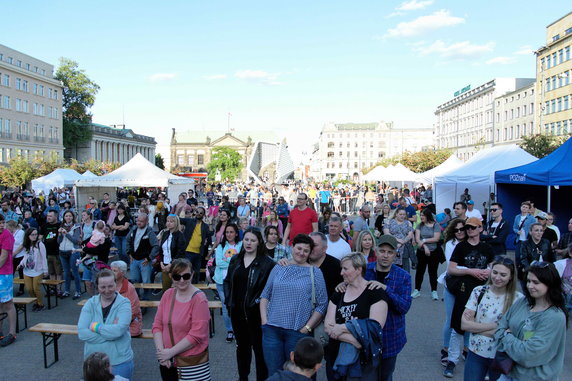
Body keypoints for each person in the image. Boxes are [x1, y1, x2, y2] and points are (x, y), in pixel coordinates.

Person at [260, 234, 328, 377]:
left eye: (305, 250)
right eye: (299, 248)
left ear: (310, 253)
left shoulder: (315, 272)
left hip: (297, 332)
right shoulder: (279, 267)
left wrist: (307, 327)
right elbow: (265, 295)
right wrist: (264, 321)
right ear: (292, 247)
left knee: (298, 375)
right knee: (274, 374)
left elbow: (322, 304)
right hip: (272, 330)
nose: (301, 253)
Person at [494, 262, 568, 381]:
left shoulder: (555, 317)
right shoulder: (522, 302)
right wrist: (515, 342)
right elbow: (499, 329)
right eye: (528, 281)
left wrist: (507, 335)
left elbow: (527, 354)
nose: (529, 286)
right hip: (508, 374)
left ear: (549, 284)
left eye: (536, 282)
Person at [443, 217, 494, 378]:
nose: (470, 230)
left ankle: (481, 361)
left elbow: (494, 268)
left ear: (480, 228)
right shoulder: (461, 247)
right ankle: (452, 360)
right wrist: (471, 271)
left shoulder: (487, 248)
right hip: (463, 290)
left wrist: (488, 273)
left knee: (481, 325)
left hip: (482, 292)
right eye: (468, 227)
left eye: (473, 227)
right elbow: (451, 269)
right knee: (457, 325)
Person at [324, 253, 388, 381]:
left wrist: (342, 327)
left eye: (345, 269)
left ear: (359, 270)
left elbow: (374, 328)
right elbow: (328, 327)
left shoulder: (374, 292)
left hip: (363, 362)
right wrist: (355, 341)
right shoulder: (339, 292)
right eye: (341, 269)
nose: (341, 273)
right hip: (336, 356)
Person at [223, 228, 275, 381]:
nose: (249, 243)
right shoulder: (236, 260)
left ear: (259, 242)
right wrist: (228, 301)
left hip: (257, 315)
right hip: (237, 313)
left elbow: (270, 289)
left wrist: (258, 304)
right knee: (242, 349)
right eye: (246, 239)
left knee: (259, 351)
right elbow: (227, 282)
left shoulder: (267, 263)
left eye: (253, 240)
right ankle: (243, 377)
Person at [461, 257, 523, 381]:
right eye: (495, 272)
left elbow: (515, 332)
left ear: (511, 276)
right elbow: (464, 325)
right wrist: (497, 326)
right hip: (476, 352)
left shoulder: (518, 299)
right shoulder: (479, 292)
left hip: (501, 355)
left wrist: (476, 328)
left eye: (503, 274)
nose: (497, 277)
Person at [152, 259, 211, 380]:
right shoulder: (168, 294)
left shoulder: (199, 299)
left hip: (190, 363)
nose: (182, 280)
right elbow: (157, 325)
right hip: (168, 361)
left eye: (186, 276)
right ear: (171, 276)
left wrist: (170, 352)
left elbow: (197, 335)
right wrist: (162, 354)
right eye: (177, 277)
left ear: (192, 275)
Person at [364, 235, 412, 381]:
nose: (385, 255)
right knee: (366, 375)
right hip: (366, 335)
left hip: (390, 336)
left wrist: (386, 289)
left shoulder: (403, 276)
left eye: (390, 252)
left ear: (395, 254)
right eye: (382, 251)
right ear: (376, 251)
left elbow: (404, 307)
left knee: (385, 375)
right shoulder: (364, 271)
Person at [78, 269, 134, 380]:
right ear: (97, 287)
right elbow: (82, 333)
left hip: (119, 361)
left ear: (115, 284)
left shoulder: (124, 303)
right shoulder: (90, 303)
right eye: (103, 287)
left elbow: (119, 330)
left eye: (110, 286)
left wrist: (95, 327)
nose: (107, 290)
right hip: (93, 363)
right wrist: (111, 333)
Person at [437, 219, 467, 366]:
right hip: (452, 284)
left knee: (468, 318)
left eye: (462, 229)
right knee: (450, 318)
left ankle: (466, 349)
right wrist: (470, 270)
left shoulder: (471, 243)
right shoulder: (450, 244)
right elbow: (452, 266)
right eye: (456, 230)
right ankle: (446, 349)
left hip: (469, 286)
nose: (460, 232)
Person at [213, 223, 242, 343]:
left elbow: (242, 262)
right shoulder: (221, 246)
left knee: (238, 306)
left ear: (236, 233)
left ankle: (238, 329)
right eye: (227, 232)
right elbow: (219, 263)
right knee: (226, 307)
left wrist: (228, 260)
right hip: (222, 281)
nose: (229, 234)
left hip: (238, 281)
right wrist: (234, 263)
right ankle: (230, 330)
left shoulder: (241, 245)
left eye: (231, 232)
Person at [411, 208, 442, 300]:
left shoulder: (435, 225)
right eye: (420, 215)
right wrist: (425, 247)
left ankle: (434, 291)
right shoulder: (420, 226)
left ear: (428, 216)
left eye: (423, 215)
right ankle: (417, 290)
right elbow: (417, 239)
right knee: (420, 271)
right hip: (422, 252)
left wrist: (424, 240)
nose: (421, 217)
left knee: (433, 272)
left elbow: (436, 238)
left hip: (434, 252)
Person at [127, 213, 159, 300]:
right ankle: (136, 299)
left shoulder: (150, 232)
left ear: (146, 221)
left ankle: (145, 300)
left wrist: (149, 258)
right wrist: (129, 253)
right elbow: (127, 240)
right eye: (137, 221)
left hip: (144, 261)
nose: (138, 223)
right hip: (134, 260)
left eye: (141, 221)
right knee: (134, 281)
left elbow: (156, 246)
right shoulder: (133, 229)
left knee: (146, 283)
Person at [18, 227, 48, 311]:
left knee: (36, 288)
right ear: (28, 236)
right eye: (32, 235)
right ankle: (35, 302)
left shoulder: (40, 244)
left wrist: (45, 270)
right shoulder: (27, 244)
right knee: (29, 289)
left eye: (36, 234)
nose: (34, 236)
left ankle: (40, 304)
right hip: (27, 270)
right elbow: (25, 256)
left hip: (38, 270)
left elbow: (44, 258)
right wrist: (21, 264)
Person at [110, 261, 142, 337]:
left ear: (123, 273)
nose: (112, 273)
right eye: (111, 270)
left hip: (130, 323)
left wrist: (117, 323)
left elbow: (134, 311)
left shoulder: (129, 288)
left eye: (115, 271)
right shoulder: (109, 286)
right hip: (112, 322)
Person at [180, 207, 211, 284]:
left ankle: (194, 291)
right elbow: (178, 219)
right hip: (188, 251)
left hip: (198, 253)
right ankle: (185, 288)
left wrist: (210, 223)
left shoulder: (205, 226)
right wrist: (181, 209)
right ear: (194, 212)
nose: (198, 214)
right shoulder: (189, 221)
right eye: (197, 212)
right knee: (186, 272)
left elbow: (210, 235)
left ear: (203, 215)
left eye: (201, 213)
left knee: (196, 273)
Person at [156, 214, 187, 291]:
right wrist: (161, 262)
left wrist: (170, 264)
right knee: (166, 288)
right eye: (168, 221)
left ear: (176, 223)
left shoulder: (180, 236)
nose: (169, 223)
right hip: (165, 265)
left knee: (178, 288)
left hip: (176, 265)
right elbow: (161, 250)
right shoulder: (165, 233)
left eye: (171, 221)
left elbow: (180, 253)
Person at [519, 223, 554, 288]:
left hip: (544, 272)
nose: (539, 233)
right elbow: (523, 259)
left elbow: (551, 258)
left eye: (541, 230)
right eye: (536, 230)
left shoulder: (546, 242)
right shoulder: (525, 244)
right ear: (530, 232)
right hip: (529, 272)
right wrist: (530, 270)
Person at [58, 210, 82, 299]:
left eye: (70, 216)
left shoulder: (76, 227)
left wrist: (66, 234)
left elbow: (76, 240)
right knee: (66, 272)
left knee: (75, 272)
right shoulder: (61, 226)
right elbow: (59, 241)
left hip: (73, 251)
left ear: (73, 217)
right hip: (62, 251)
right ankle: (66, 290)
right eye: (66, 216)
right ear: (64, 217)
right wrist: (60, 234)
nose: (68, 218)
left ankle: (78, 291)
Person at [0, 214, 16, 346]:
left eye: (3, 222)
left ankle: (12, 333)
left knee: (8, 303)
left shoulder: (6, 235)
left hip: (4, 274)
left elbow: (4, 256)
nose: (1, 225)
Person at [383, 208, 415, 272]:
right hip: (392, 247)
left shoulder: (408, 223)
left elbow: (410, 235)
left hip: (405, 248)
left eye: (404, 214)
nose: (402, 216)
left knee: (405, 269)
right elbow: (386, 233)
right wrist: (397, 240)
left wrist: (402, 242)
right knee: (392, 268)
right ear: (396, 214)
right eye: (400, 214)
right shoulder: (389, 221)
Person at [40, 209, 62, 295]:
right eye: (47, 216)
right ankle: (53, 289)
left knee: (58, 272)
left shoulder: (60, 225)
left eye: (50, 216)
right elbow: (40, 237)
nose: (48, 218)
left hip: (57, 251)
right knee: (51, 272)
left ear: (55, 217)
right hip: (47, 252)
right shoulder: (44, 226)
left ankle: (59, 289)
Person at [512, 201, 535, 278]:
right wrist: (517, 231)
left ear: (529, 209)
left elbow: (533, 228)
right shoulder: (517, 217)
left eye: (526, 207)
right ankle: (519, 273)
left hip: (527, 240)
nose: (524, 208)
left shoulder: (532, 218)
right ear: (520, 207)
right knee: (518, 257)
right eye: (523, 207)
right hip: (519, 240)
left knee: (527, 257)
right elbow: (514, 227)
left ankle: (527, 272)